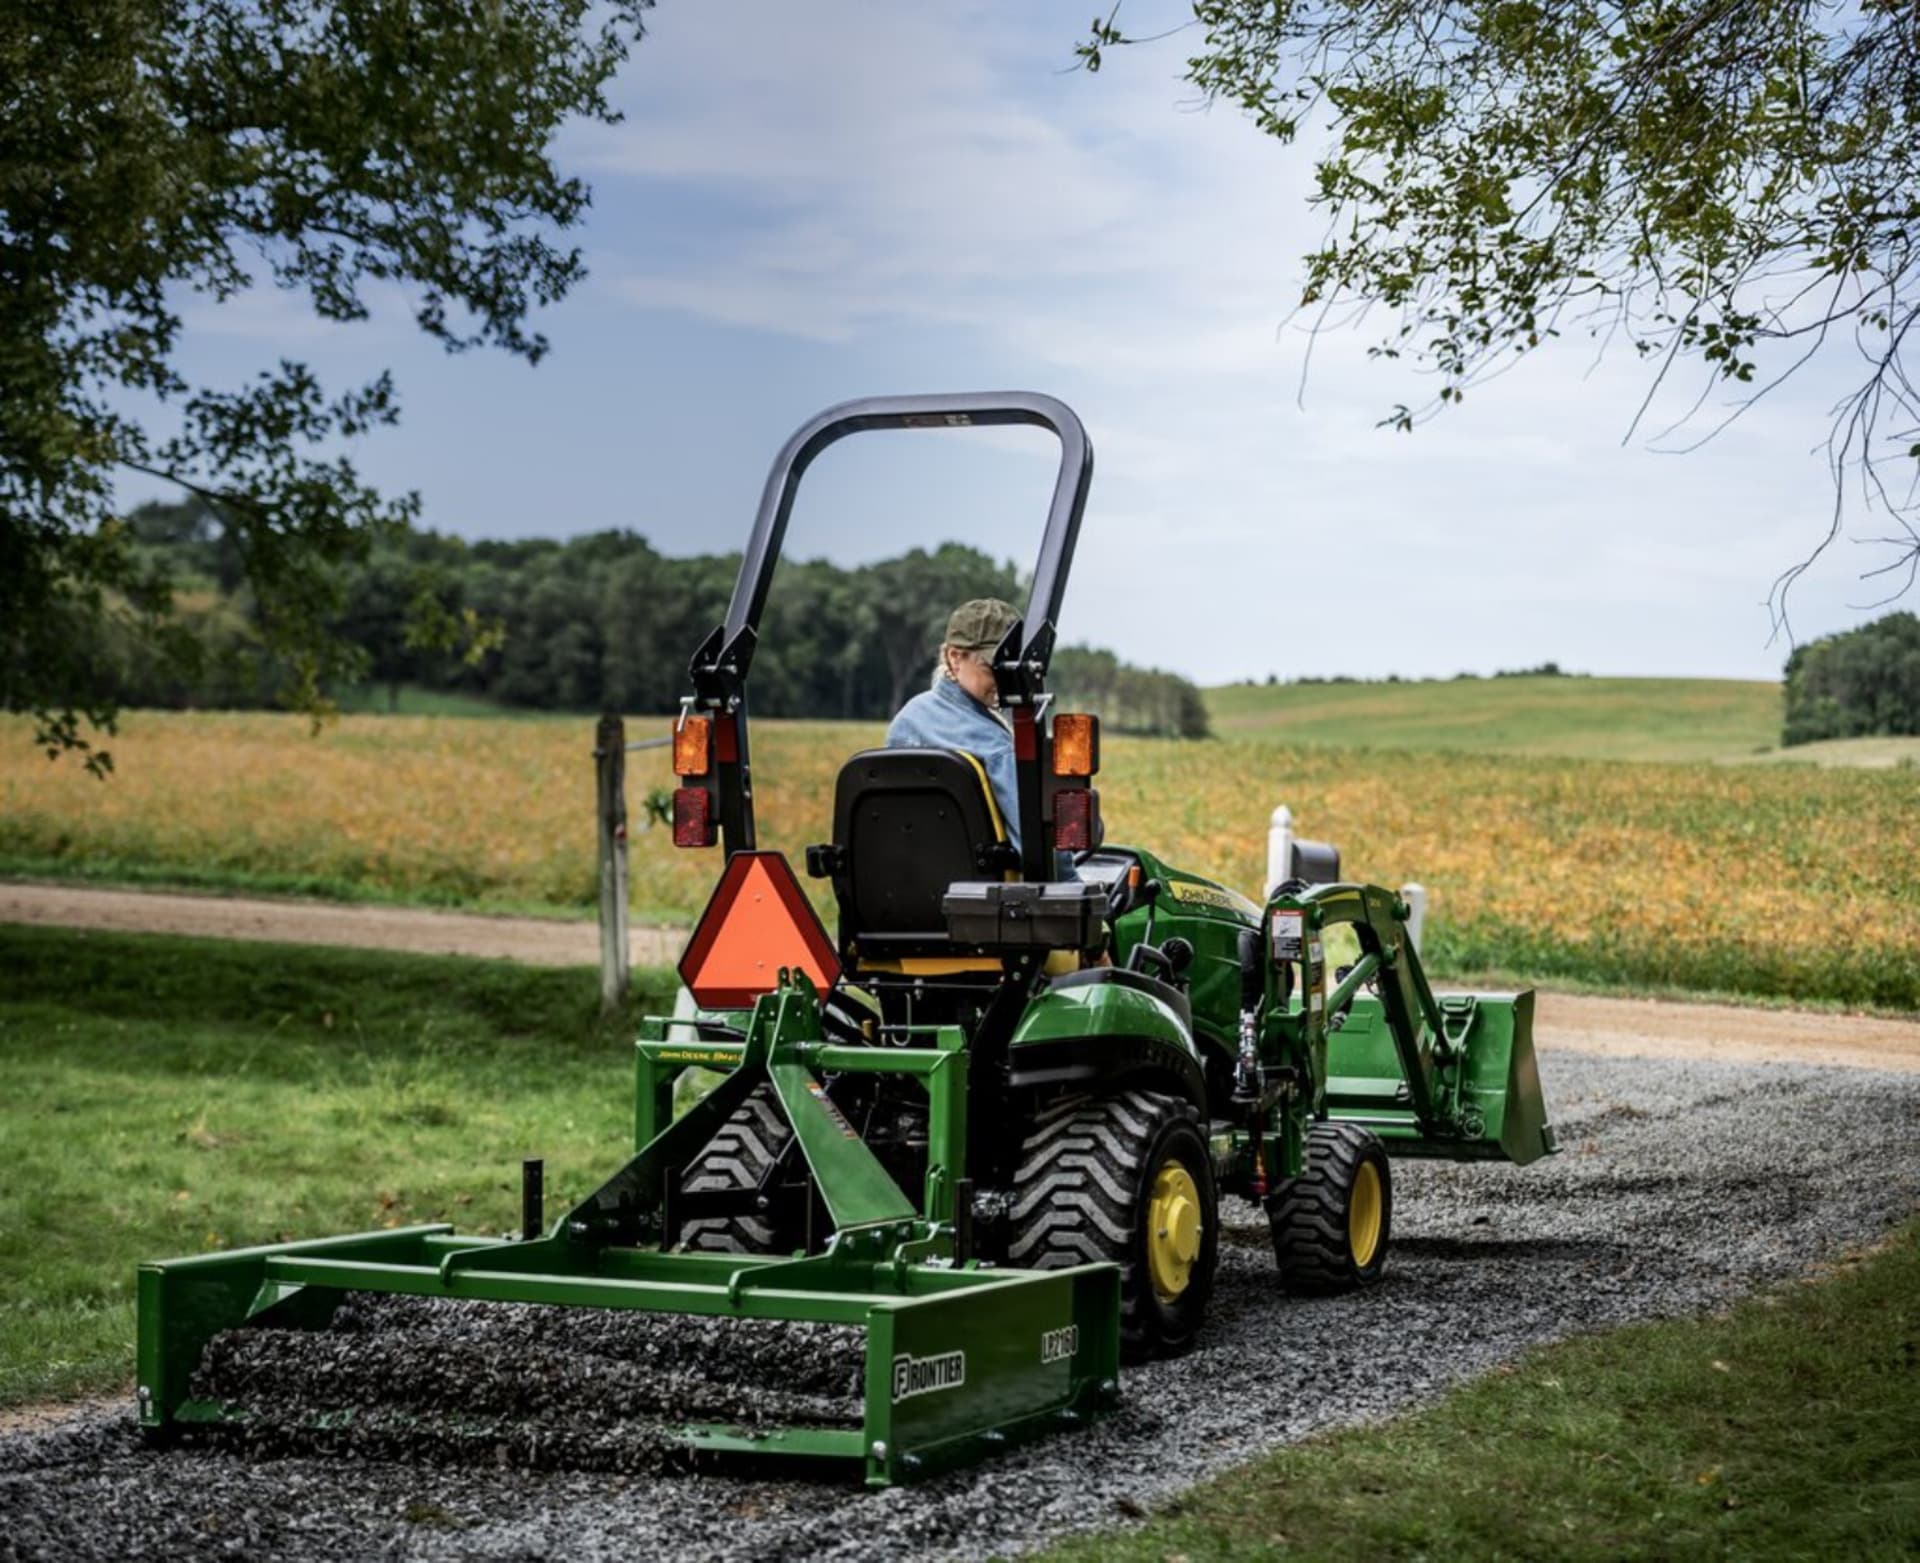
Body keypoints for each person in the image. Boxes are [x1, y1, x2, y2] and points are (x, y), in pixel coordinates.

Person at [886, 598, 1026, 849]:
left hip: (909, 883)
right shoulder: (996, 746)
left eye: (1009, 669)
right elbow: (1033, 847)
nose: (1002, 681)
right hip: (984, 886)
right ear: (954, 657)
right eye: (992, 667)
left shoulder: (906, 720)